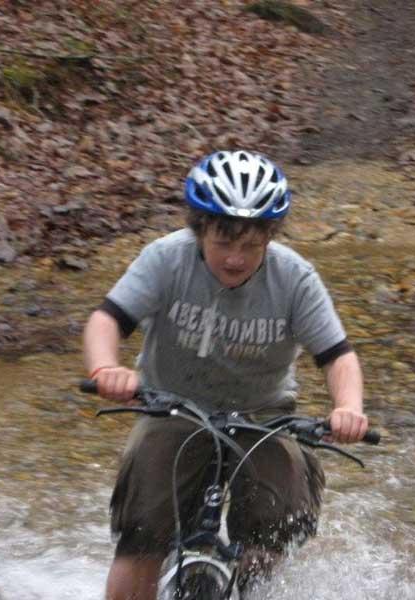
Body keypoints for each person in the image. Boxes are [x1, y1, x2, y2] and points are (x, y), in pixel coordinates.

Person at [82, 150, 368, 600]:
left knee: (277, 519)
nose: (235, 258)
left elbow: (338, 356)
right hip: (172, 406)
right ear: (199, 230)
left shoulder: (295, 278)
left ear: (269, 238)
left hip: (264, 413)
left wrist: (348, 408)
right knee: (142, 535)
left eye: (250, 245)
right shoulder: (164, 259)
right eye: (223, 242)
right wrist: (106, 368)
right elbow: (107, 321)